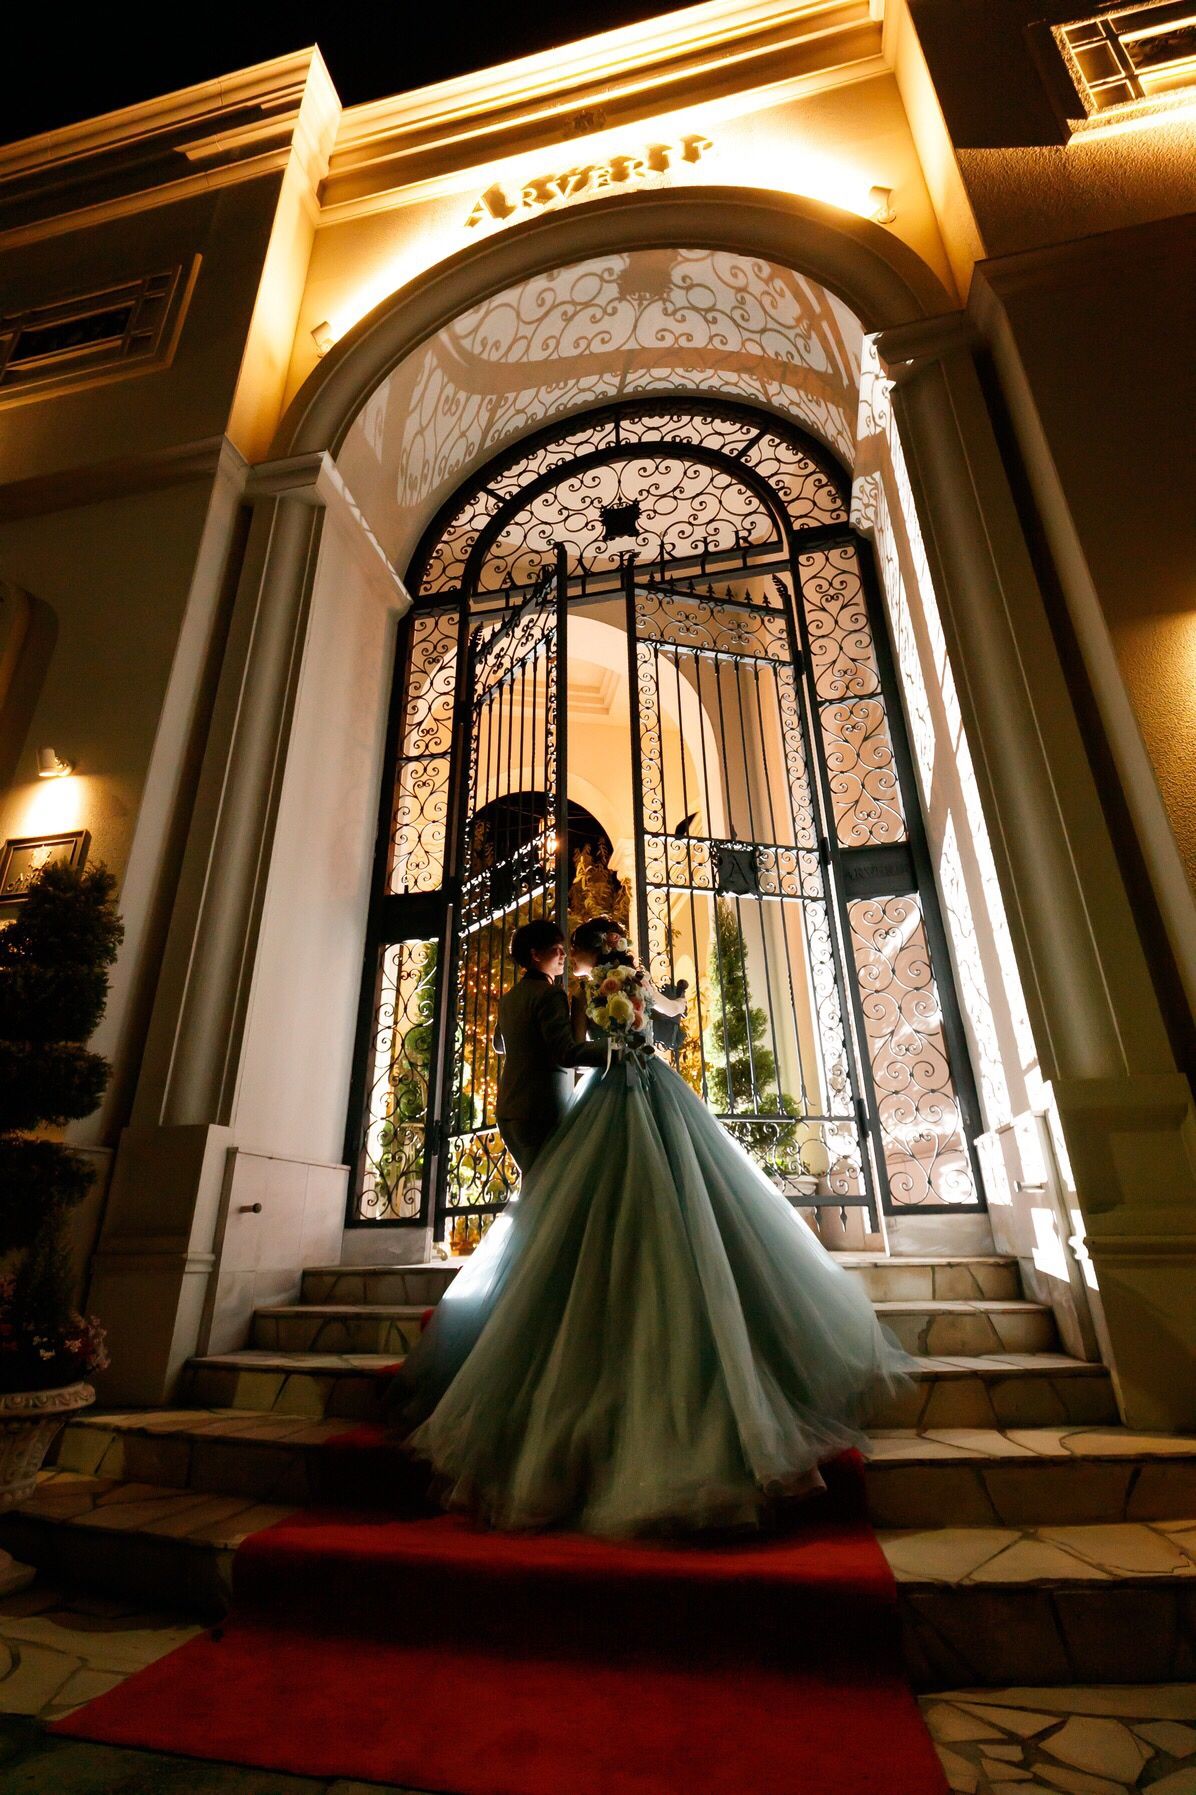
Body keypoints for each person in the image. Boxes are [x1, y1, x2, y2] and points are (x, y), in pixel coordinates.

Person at [395, 918, 909, 1537]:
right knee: (636, 1187)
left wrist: (616, 1035)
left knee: (591, 1196)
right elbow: (658, 1016)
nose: (569, 954)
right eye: (562, 948)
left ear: (593, 951)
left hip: (610, 1085)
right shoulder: (612, 983)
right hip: (624, 1081)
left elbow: (594, 1037)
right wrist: (643, 1024)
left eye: (574, 947)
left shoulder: (591, 987)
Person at [493, 918, 607, 1177]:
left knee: (534, 1186)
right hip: (541, 1110)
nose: (564, 954)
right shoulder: (550, 994)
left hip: (510, 1108)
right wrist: (613, 1050)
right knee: (545, 1188)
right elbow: (566, 1053)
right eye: (556, 949)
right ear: (536, 955)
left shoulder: (509, 998)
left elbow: (500, 1044)